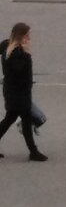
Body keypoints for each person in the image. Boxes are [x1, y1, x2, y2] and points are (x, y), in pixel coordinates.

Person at [0, 22, 48, 161]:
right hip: (18, 93)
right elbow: (20, 70)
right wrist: (27, 54)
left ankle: (33, 152)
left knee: (11, 119)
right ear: (19, 36)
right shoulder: (17, 52)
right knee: (23, 120)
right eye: (26, 35)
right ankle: (33, 152)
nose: (28, 38)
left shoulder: (6, 45)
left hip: (16, 92)